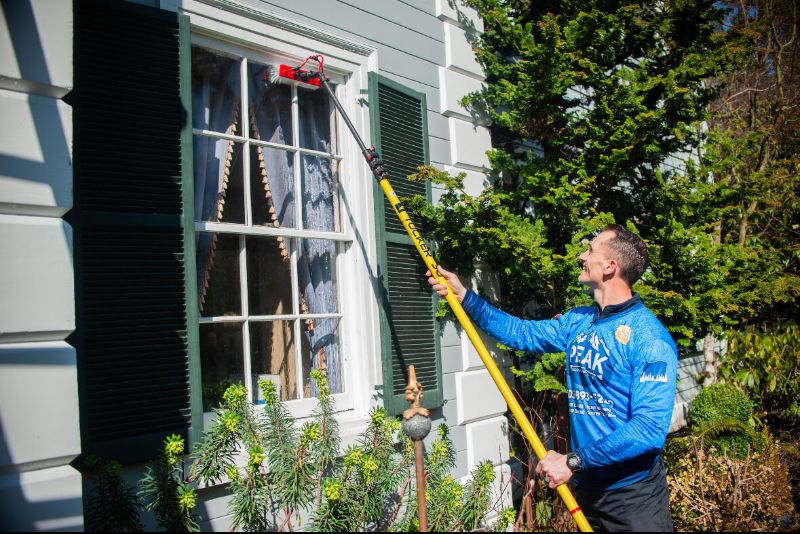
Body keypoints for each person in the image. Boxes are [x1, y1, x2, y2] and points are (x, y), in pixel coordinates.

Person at [427, 224, 677, 532]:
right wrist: (465, 296)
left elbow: (647, 431)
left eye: (591, 250)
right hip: (588, 490)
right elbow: (523, 334)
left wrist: (572, 461)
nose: (582, 255)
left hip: (633, 500)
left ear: (611, 267)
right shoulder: (579, 321)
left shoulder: (649, 339)